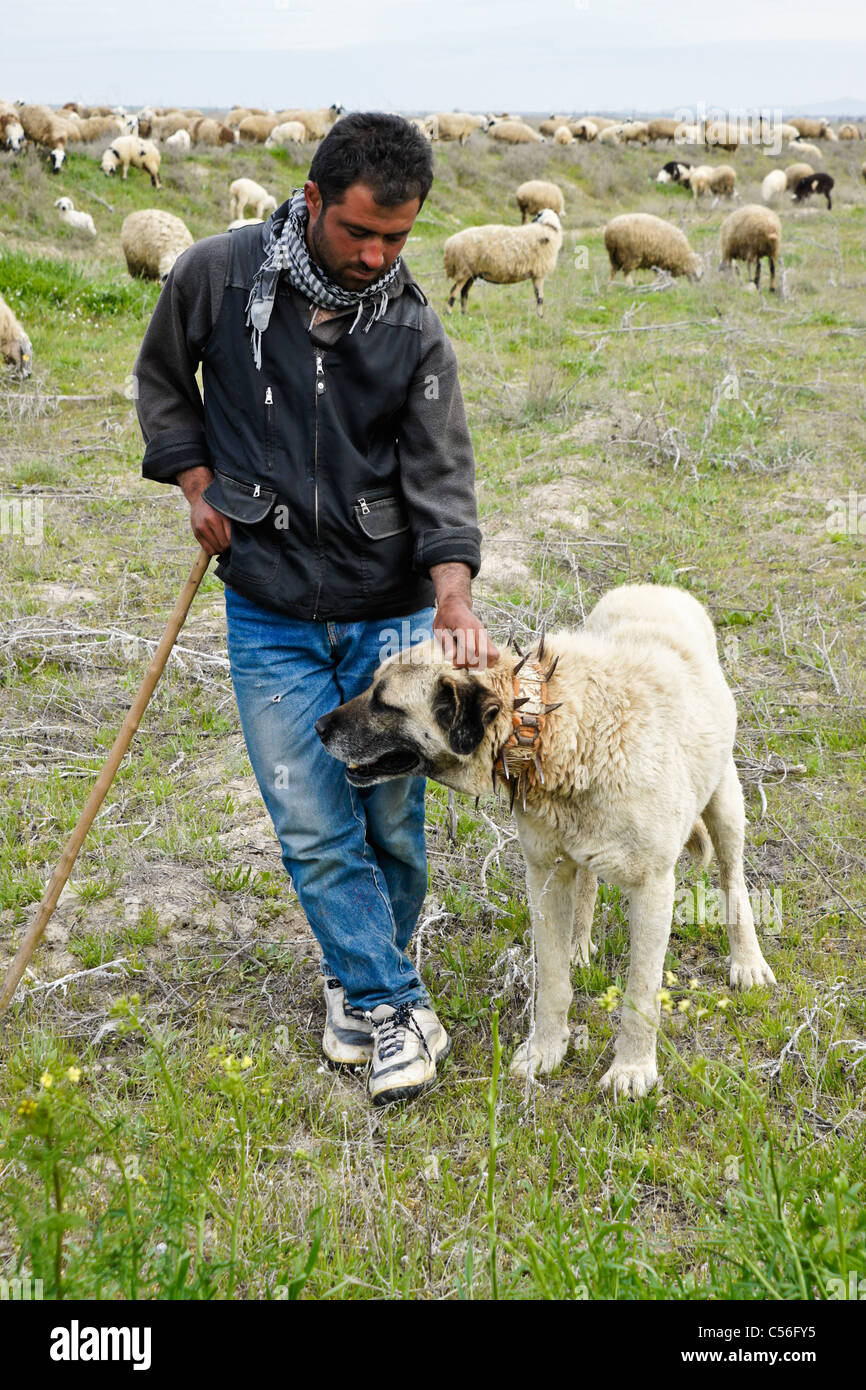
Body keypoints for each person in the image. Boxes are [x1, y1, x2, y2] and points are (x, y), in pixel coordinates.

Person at [133, 112, 498, 1104]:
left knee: (387, 823)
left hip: (381, 617)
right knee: (309, 819)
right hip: (267, 608)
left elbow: (439, 476)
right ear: (310, 202)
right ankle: (391, 1006)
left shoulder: (412, 325)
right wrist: (198, 483)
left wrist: (451, 596)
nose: (374, 256)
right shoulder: (212, 275)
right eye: (356, 233)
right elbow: (163, 385)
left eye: (396, 239)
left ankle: (353, 976)